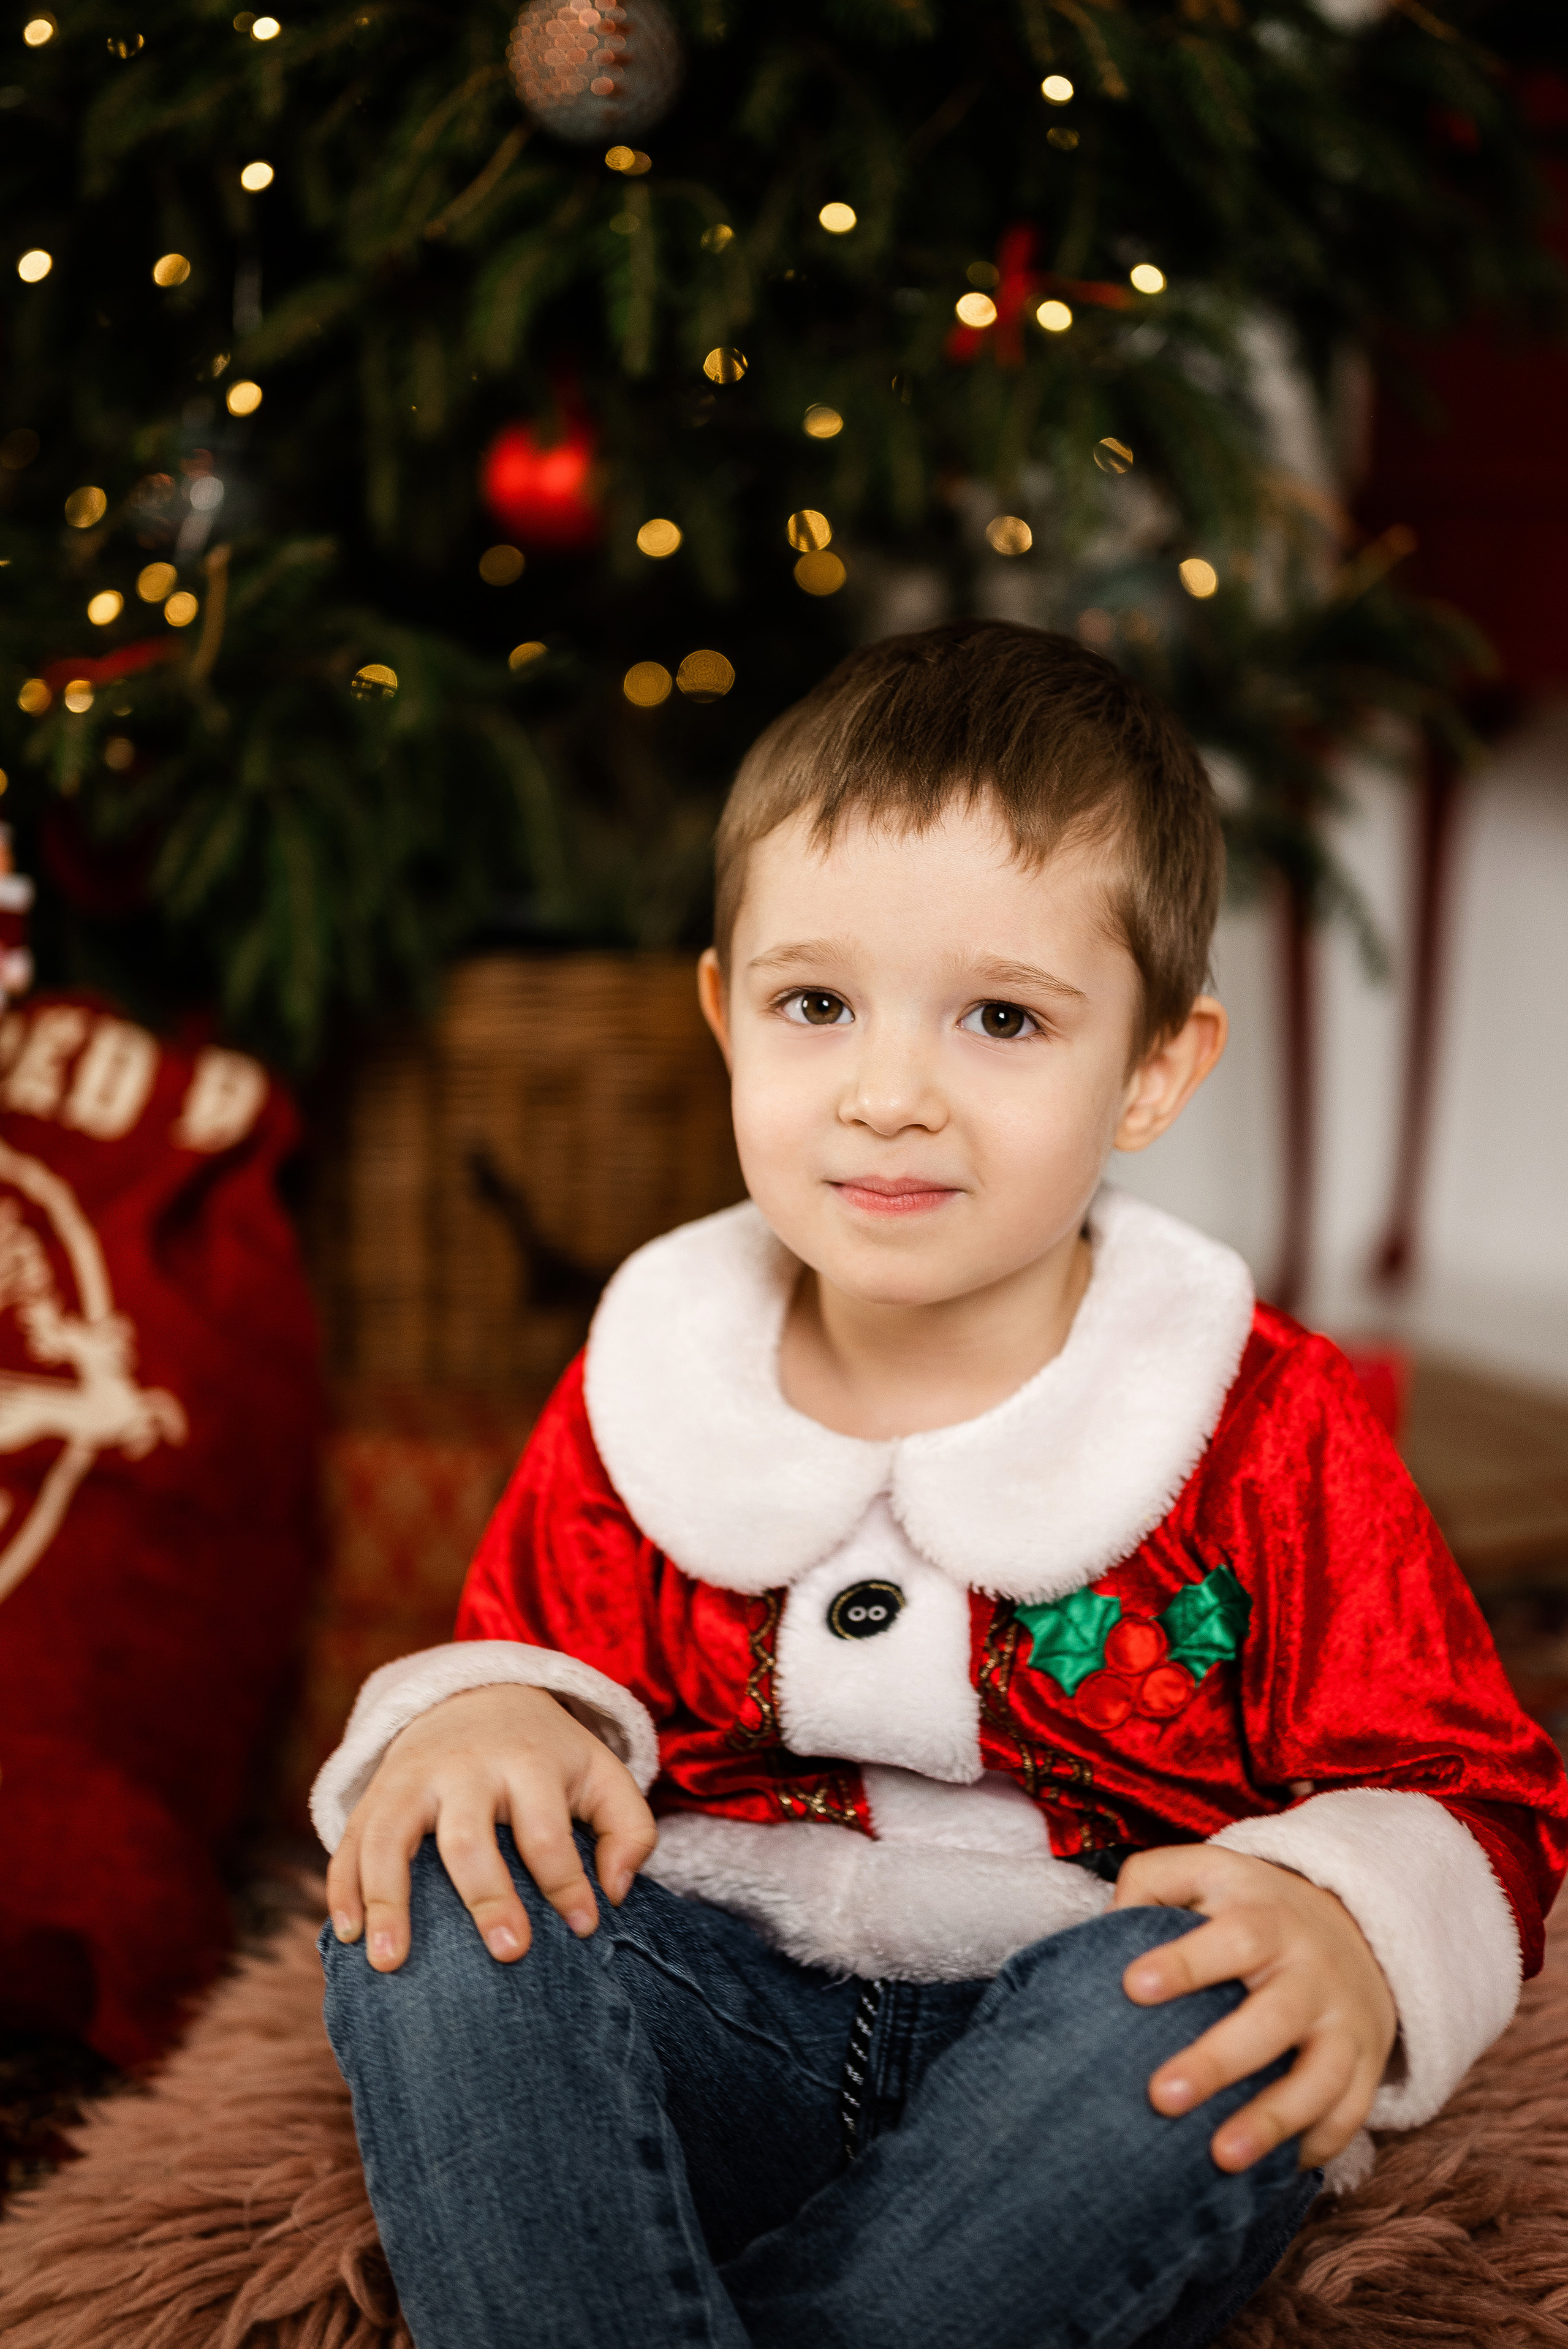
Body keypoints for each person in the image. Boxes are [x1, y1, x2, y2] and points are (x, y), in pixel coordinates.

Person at [312, 619, 1568, 2349]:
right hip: (715, 2031)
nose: (889, 1094)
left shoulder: (1257, 1414)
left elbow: (1460, 1779)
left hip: (1070, 2062)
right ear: (723, 1014)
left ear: (1152, 1069)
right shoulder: (652, 1375)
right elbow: (532, 1662)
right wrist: (491, 1721)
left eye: (1000, 1018)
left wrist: (1349, 1913)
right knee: (454, 1875)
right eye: (817, 1004)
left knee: (1212, 2005)